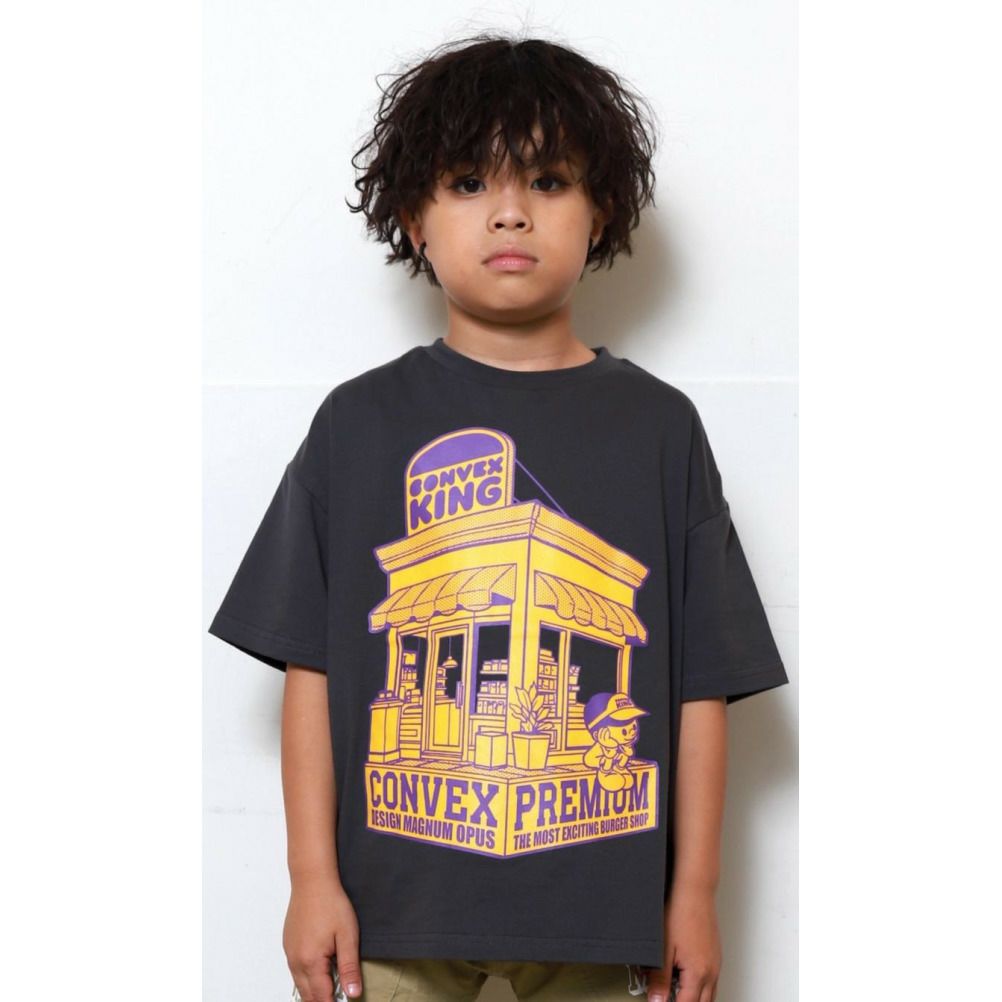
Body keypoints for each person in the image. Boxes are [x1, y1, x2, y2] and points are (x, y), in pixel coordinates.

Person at [209, 31, 790, 1002]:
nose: (510, 210)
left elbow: (703, 684)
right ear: (415, 219)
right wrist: (311, 880)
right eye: (470, 181)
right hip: (390, 914)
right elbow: (312, 667)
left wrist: (694, 892)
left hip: (604, 919)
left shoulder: (659, 428)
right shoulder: (357, 424)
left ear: (602, 214)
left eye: (550, 181)